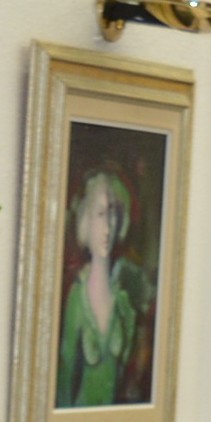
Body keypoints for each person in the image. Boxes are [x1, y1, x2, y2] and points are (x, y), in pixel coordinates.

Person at [56, 167, 153, 408]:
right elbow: (63, 388)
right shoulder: (76, 298)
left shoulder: (123, 300)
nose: (108, 227)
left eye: (114, 213)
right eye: (100, 214)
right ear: (85, 219)